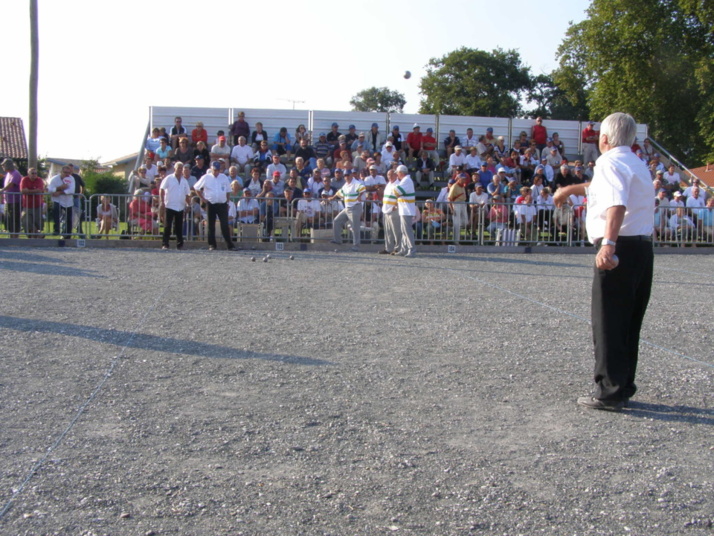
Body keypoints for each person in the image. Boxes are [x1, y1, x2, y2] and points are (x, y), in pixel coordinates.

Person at [554, 112, 654, 412]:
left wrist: (608, 245)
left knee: (608, 321)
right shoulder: (636, 163)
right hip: (642, 249)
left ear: (605, 139)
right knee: (628, 323)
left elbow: (616, 204)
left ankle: (608, 392)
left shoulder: (608, 162)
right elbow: (604, 190)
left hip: (619, 246)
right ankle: (622, 385)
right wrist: (571, 189)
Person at [193, 161, 237, 251]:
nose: (216, 172)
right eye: (214, 170)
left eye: (217, 170)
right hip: (211, 203)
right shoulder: (206, 177)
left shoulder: (224, 177)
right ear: (211, 169)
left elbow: (228, 191)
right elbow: (196, 188)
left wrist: (227, 202)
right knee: (211, 225)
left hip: (222, 204)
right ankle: (212, 245)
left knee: (224, 224)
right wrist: (203, 199)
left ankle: (229, 245)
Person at [329, 167, 365, 251]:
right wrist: (333, 197)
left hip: (355, 207)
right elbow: (340, 192)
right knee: (336, 221)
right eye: (345, 175)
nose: (346, 177)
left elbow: (363, 188)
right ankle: (337, 240)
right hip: (347, 207)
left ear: (351, 175)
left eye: (348, 175)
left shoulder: (356, 183)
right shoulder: (346, 184)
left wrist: (359, 196)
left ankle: (356, 246)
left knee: (355, 227)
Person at [159, 162, 192, 250]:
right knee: (167, 226)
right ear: (175, 169)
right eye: (179, 168)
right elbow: (161, 189)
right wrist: (162, 202)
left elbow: (187, 194)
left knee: (179, 227)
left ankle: (180, 244)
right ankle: (165, 244)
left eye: (182, 168)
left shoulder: (184, 181)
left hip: (180, 206)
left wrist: (188, 204)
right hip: (169, 205)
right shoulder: (168, 178)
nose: (180, 170)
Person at [393, 165, 417, 257]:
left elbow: (396, 192)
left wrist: (394, 188)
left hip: (407, 210)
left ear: (401, 173)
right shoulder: (405, 181)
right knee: (404, 231)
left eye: (397, 173)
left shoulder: (406, 181)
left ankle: (411, 249)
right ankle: (403, 249)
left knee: (407, 231)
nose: (397, 175)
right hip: (404, 209)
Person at [47, 165, 76, 238]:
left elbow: (71, 190)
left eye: (68, 172)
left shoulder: (71, 179)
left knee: (69, 218)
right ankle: (56, 230)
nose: (67, 174)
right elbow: (50, 189)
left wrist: (59, 192)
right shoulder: (54, 179)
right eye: (65, 172)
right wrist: (60, 188)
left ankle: (68, 234)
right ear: (61, 172)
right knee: (56, 213)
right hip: (57, 200)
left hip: (68, 201)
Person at [20, 167, 46, 237]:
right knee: (27, 221)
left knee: (37, 222)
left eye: (35, 173)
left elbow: (40, 190)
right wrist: (34, 191)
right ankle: (37, 235)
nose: (34, 175)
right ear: (28, 174)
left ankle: (36, 236)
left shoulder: (39, 180)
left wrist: (29, 191)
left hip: (37, 205)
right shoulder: (24, 179)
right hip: (27, 205)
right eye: (32, 173)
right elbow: (23, 191)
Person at [2, 159, 23, 238]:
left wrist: (2, 190)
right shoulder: (8, 174)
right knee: (9, 219)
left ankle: (15, 236)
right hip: (8, 200)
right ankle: (11, 235)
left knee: (14, 219)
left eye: (4, 165)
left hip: (15, 201)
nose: (2, 167)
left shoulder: (15, 173)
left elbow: (12, 184)